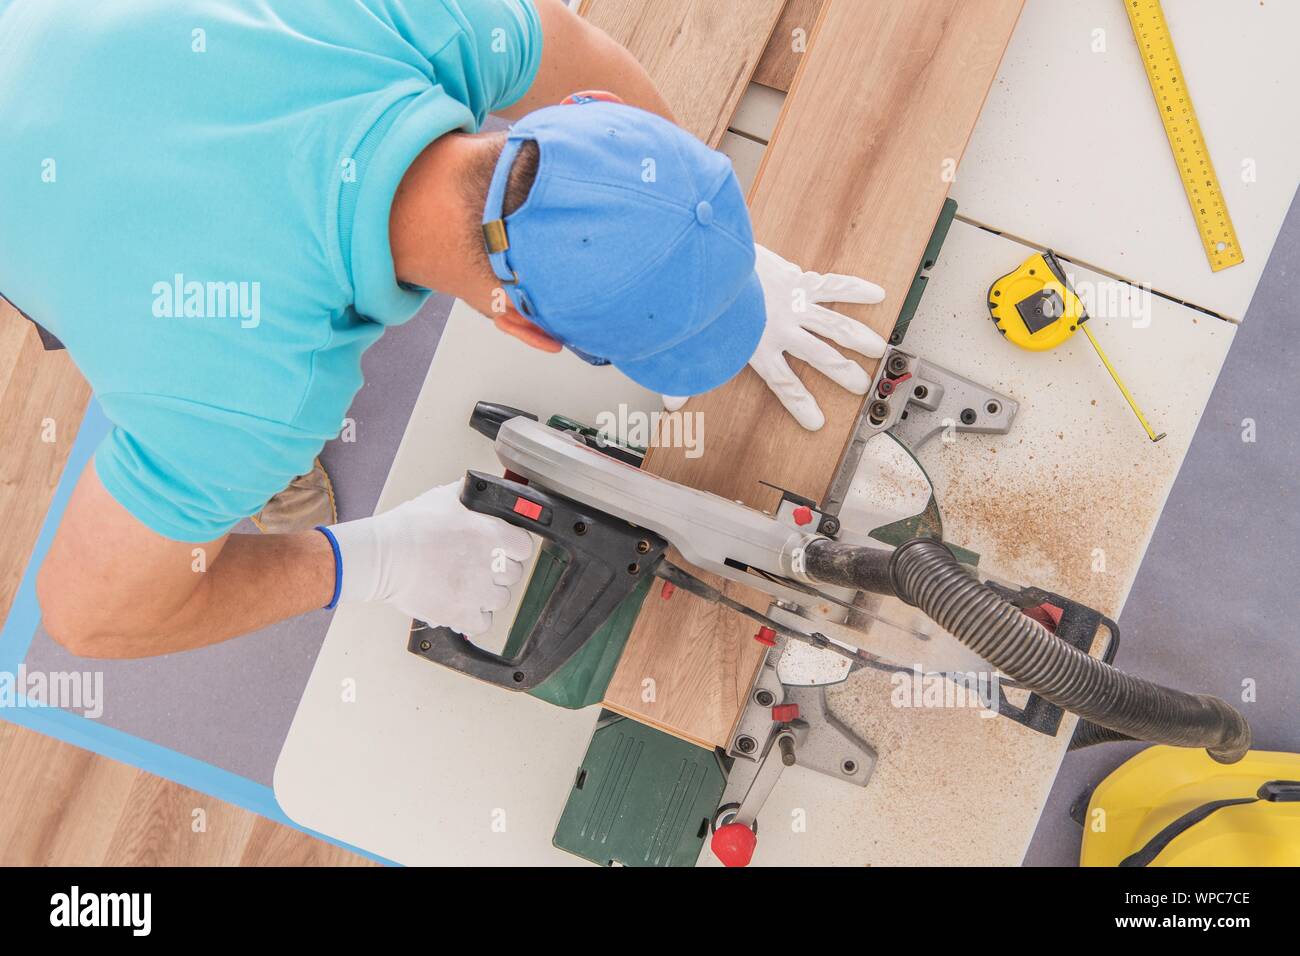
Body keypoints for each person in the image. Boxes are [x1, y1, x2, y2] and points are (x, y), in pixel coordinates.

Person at [0, 0, 885, 658]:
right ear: (529, 332)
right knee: (185, 398)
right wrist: (368, 560)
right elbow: (90, 615)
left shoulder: (435, 20)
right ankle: (221, 476)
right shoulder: (257, 394)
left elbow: (573, 49)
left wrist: (697, 235)